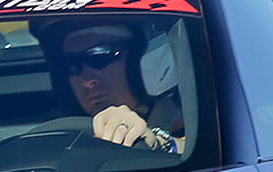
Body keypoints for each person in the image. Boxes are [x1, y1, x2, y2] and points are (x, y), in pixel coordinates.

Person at [34, 18, 185, 154]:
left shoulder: (195, 121)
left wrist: (162, 144)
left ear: (143, 56)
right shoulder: (57, 144)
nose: (87, 81)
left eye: (99, 57)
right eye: (72, 65)